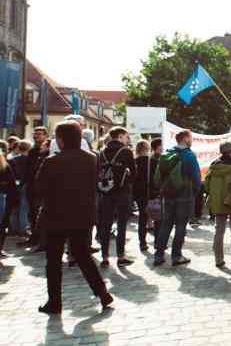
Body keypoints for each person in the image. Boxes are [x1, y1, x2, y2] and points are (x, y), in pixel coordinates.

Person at [36, 121, 113, 314]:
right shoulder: (91, 158)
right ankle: (103, 293)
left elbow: (39, 189)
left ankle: (54, 302)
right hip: (83, 215)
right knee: (83, 256)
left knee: (53, 261)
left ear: (60, 140)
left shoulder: (52, 161)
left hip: (56, 217)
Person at [154, 130, 201, 266]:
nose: (191, 140)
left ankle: (159, 255)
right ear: (185, 139)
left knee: (166, 225)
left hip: (168, 195)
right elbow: (197, 179)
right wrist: (194, 192)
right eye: (190, 138)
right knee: (181, 225)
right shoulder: (189, 155)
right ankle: (176, 256)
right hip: (185, 195)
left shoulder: (166, 154)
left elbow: (157, 178)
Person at [97, 126, 137, 267]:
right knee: (121, 225)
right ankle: (120, 256)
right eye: (126, 137)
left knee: (105, 225)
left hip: (105, 192)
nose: (127, 140)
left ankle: (105, 256)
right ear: (120, 136)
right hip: (122, 191)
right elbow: (134, 171)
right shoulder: (126, 151)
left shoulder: (102, 152)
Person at [204, 141, 231, 269]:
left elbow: (206, 184)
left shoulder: (213, 165)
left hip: (217, 202)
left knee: (219, 231)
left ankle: (218, 260)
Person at [22, 127, 50, 251]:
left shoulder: (48, 151)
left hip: (42, 188)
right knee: (32, 213)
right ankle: (34, 236)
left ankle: (42, 239)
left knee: (40, 213)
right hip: (31, 186)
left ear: (45, 135)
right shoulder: (32, 151)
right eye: (35, 134)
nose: (36, 136)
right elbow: (28, 170)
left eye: (39, 134)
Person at [132, 140, 153, 252]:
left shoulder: (134, 161)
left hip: (138, 193)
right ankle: (159, 243)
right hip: (150, 192)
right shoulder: (151, 161)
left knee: (142, 217)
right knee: (157, 216)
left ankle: (142, 242)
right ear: (147, 148)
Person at [8, 140, 31, 239]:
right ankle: (23, 229)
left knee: (14, 208)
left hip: (15, 184)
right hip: (25, 184)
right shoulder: (29, 160)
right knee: (24, 208)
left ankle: (13, 229)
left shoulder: (12, 160)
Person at [0, 151, 19, 258]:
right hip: (4, 197)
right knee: (2, 225)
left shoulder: (5, 167)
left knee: (2, 225)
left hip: (4, 198)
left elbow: (11, 184)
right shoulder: (5, 166)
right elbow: (12, 185)